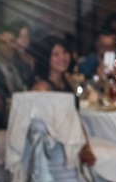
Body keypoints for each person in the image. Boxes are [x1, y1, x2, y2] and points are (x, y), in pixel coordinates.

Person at [30, 34, 97, 168]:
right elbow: (44, 126)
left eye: (64, 52)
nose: (62, 58)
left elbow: (75, 117)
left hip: (73, 138)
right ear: (46, 57)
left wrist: (86, 146)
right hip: (57, 145)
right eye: (55, 54)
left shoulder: (68, 81)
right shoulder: (42, 88)